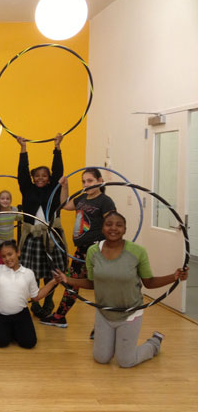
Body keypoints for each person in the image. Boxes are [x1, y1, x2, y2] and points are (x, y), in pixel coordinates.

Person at [54, 211, 188, 368]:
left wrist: (174, 276)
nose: (113, 228)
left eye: (119, 225)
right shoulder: (93, 252)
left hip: (130, 312)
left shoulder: (137, 252)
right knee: (101, 358)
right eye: (108, 224)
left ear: (125, 229)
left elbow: (149, 283)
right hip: (104, 312)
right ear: (102, 228)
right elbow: (92, 283)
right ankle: (116, 344)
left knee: (126, 361)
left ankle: (154, 343)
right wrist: (67, 279)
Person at [41, 169, 116, 328]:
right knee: (71, 282)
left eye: (90, 181)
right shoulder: (82, 197)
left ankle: (103, 327)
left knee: (101, 286)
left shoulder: (105, 201)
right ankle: (59, 317)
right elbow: (65, 205)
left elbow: (112, 225)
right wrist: (65, 186)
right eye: (84, 181)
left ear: (100, 181)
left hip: (98, 250)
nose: (86, 184)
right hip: (81, 250)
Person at [16, 134, 67, 319]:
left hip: (51, 237)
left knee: (51, 272)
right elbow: (22, 172)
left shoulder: (54, 190)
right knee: (32, 272)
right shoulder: (27, 189)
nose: (40, 178)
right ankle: (35, 301)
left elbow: (59, 170)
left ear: (49, 178)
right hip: (32, 237)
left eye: (44, 176)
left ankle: (49, 300)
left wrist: (57, 147)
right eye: (37, 176)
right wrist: (23, 148)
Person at [0, 190, 21, 265]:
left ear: (11, 200)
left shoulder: (14, 210)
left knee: (9, 263)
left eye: (7, 199)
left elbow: (20, 218)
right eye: (2, 198)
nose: (5, 200)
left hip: (9, 242)